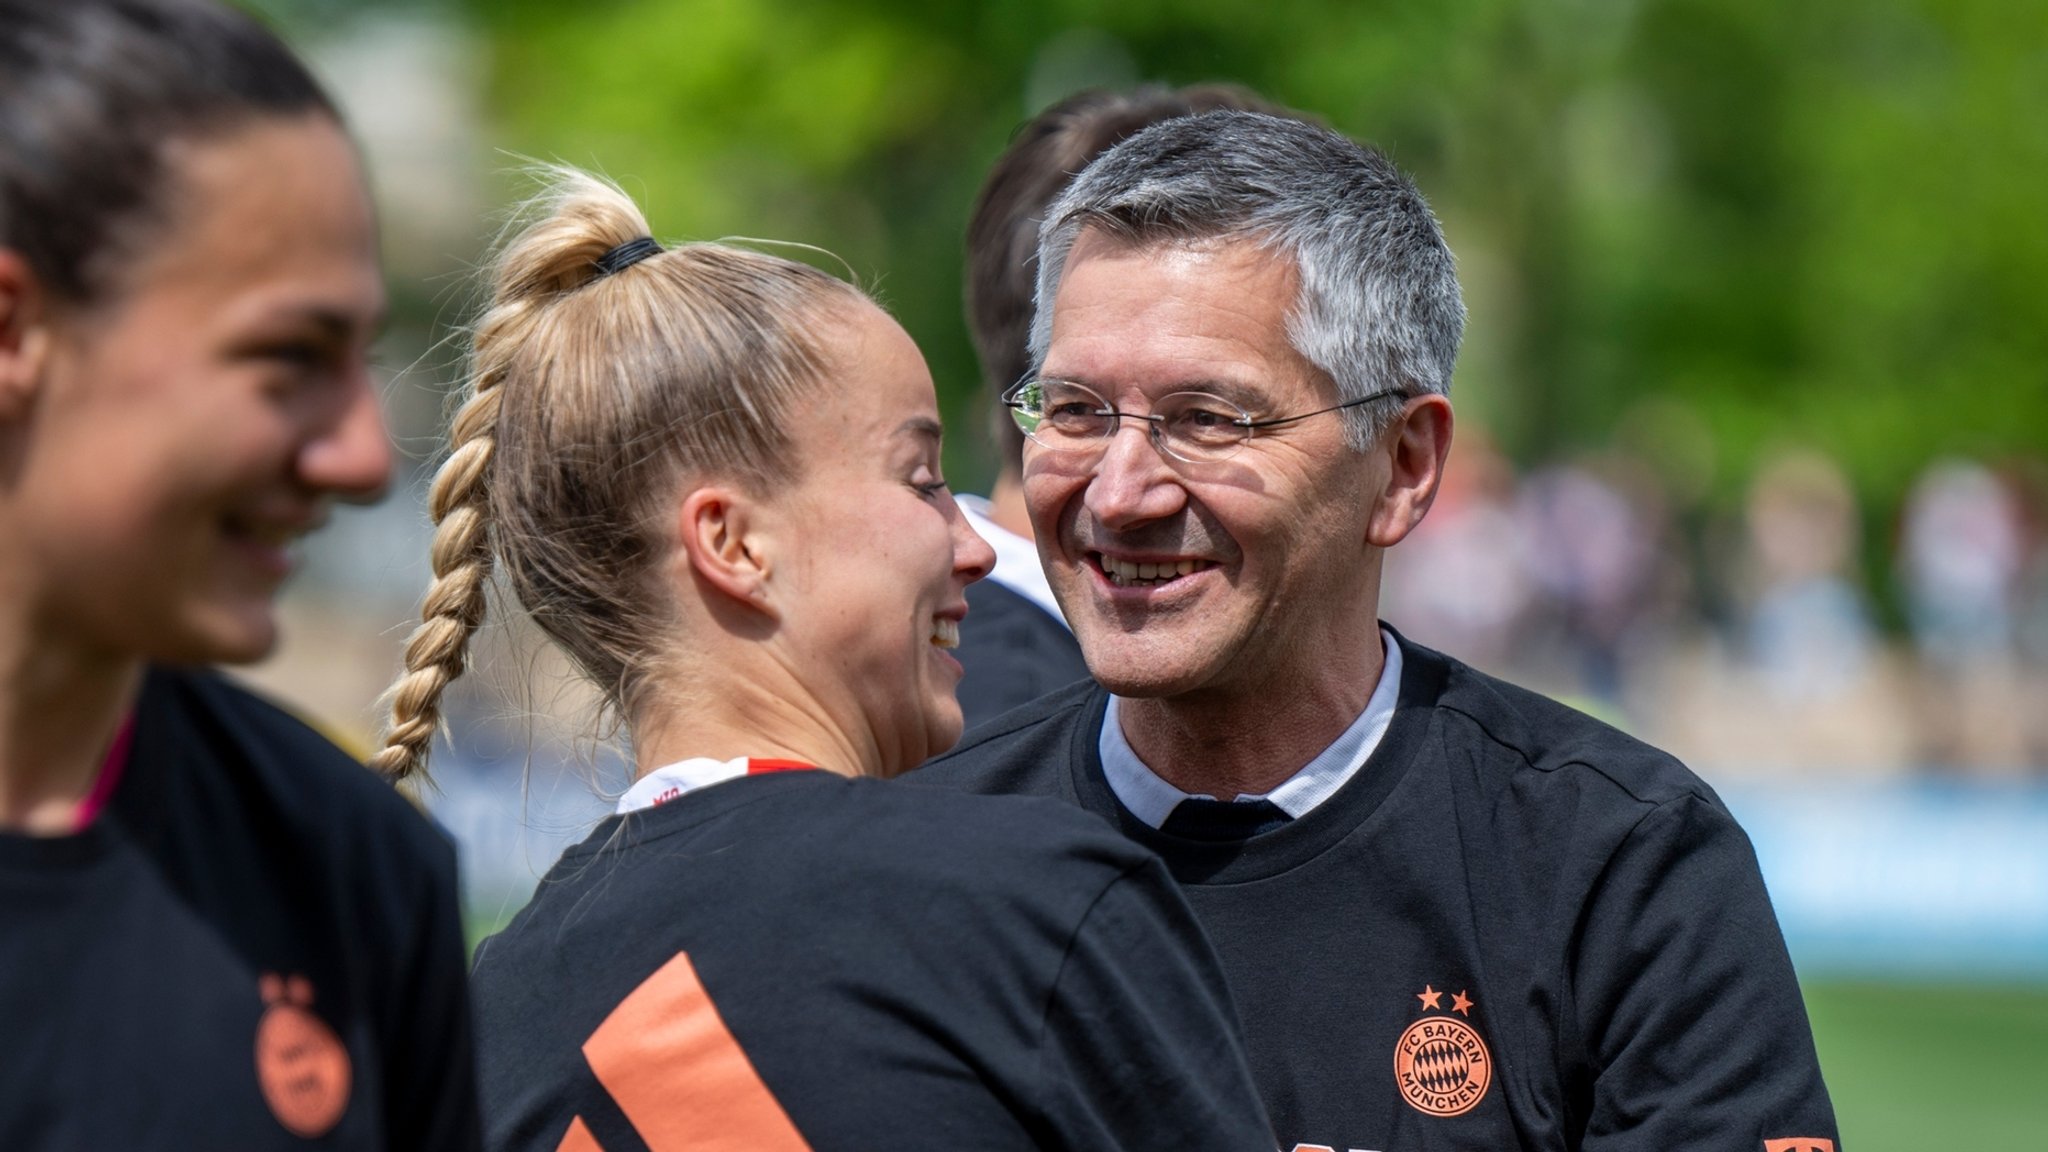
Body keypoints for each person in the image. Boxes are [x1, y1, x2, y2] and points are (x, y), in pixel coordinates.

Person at [916, 110, 1841, 1152]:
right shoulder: (918, 855)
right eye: (1077, 410)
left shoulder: (1615, 867)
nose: (1119, 492)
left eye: (1208, 419)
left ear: (1403, 466)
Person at [371, 167, 1275, 1152]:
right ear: (733, 545)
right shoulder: (1021, 904)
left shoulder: (483, 1026)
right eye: (922, 481)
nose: (974, 545)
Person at [0, 1, 478, 1147]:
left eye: (358, 360)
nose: (364, 458)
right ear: (15, 333)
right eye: (287, 359)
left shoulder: (351, 874)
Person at [954, 84, 1286, 728]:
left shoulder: (882, 664)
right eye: (1207, 416)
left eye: (1205, 418)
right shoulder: (1026, 736)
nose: (1124, 495)